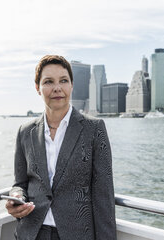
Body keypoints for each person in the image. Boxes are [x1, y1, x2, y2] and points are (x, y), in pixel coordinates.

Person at [6, 55, 117, 240]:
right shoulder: (25, 132)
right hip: (31, 233)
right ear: (38, 88)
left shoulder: (94, 129)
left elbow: (103, 196)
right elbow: (20, 184)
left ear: (71, 85)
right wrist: (16, 196)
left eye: (63, 81)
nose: (57, 88)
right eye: (48, 81)